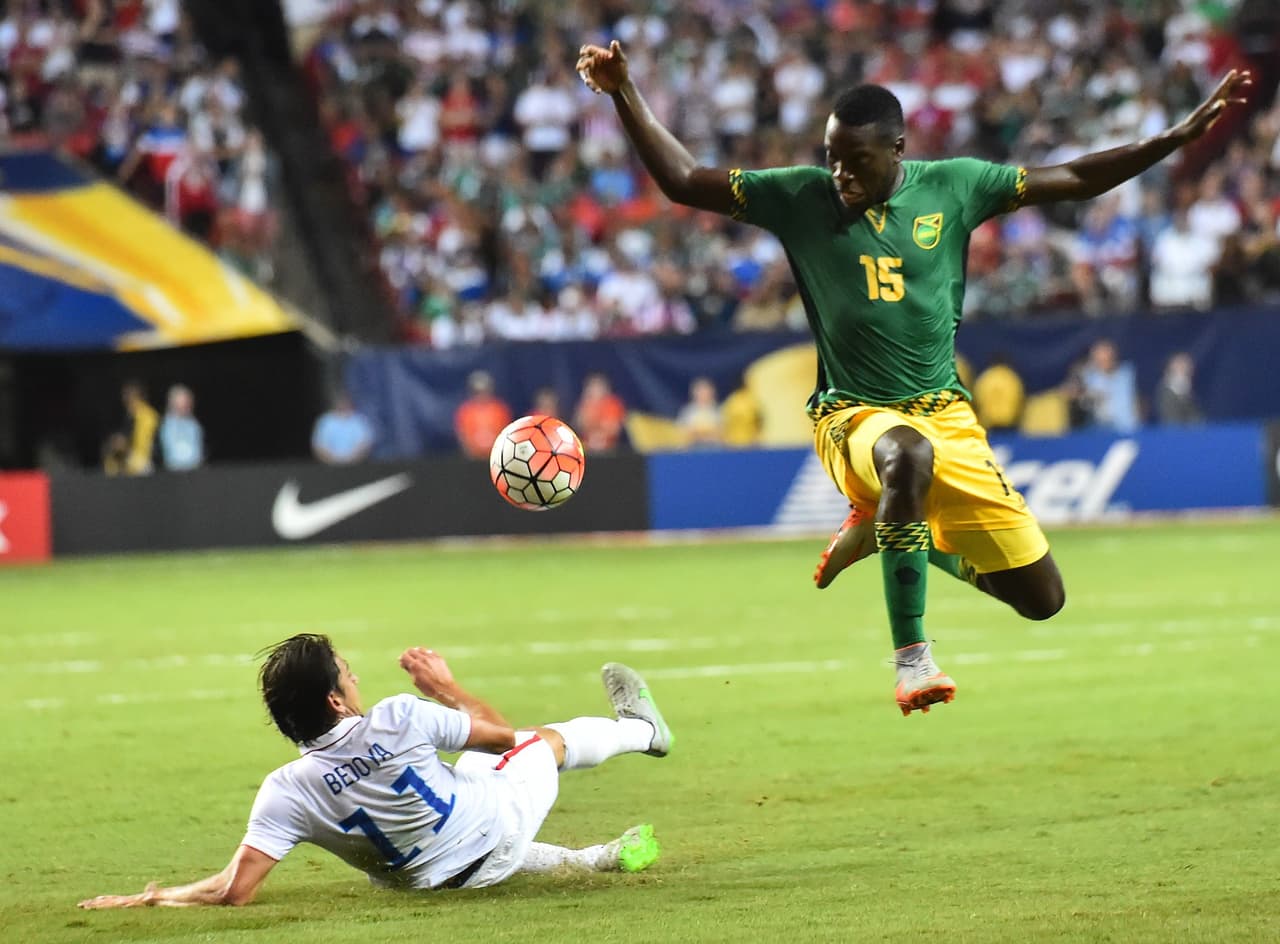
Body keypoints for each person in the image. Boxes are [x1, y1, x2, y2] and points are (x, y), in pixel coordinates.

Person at [578, 39, 1250, 715]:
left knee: (1041, 599)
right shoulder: (800, 197)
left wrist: (1173, 137)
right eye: (832, 156)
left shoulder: (957, 185)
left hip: (946, 414)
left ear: (897, 148)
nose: (840, 173)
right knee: (907, 455)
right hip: (852, 418)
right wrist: (624, 93)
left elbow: (1074, 178)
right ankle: (912, 658)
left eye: (857, 161)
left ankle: (893, 535)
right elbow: (685, 179)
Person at [78, 634, 670, 908]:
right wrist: (445, 687)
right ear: (336, 700)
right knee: (539, 744)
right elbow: (498, 731)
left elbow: (235, 890)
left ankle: (595, 858)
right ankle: (644, 731)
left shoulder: (286, 791)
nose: (356, 679)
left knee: (466, 778)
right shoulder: (400, 717)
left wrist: (153, 898)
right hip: (496, 831)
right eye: (348, 673)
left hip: (426, 881)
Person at [1079, 339, 1139, 434]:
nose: (1104, 363)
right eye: (1100, 360)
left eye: (1108, 358)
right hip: (1098, 430)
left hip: (1126, 428)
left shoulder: (1128, 373)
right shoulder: (1088, 377)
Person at [454, 370, 512, 459]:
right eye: (477, 392)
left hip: (496, 457)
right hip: (473, 459)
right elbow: (462, 436)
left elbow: (506, 434)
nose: (481, 395)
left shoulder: (500, 409)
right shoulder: (465, 411)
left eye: (484, 391)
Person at [311, 392, 375, 465]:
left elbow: (366, 443)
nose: (343, 404)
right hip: (330, 466)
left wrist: (351, 460)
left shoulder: (360, 421)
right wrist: (333, 461)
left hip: (356, 465)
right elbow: (318, 445)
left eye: (345, 402)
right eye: (340, 402)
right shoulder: (325, 421)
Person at [573, 372, 627, 453]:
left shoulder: (613, 404)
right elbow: (579, 425)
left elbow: (613, 429)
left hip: (609, 450)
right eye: (591, 386)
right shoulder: (585, 403)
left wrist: (594, 426)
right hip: (586, 450)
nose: (594, 390)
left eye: (598, 386)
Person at [971, 356, 1024, 433]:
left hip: (988, 423)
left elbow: (976, 400)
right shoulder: (1011, 377)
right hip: (1008, 422)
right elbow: (1020, 399)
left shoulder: (985, 378)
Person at [159, 384, 205, 471]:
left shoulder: (195, 426)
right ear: (173, 403)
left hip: (194, 471)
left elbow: (197, 453)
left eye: (188, 402)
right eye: (183, 402)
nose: (187, 405)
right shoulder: (165, 425)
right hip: (172, 473)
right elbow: (172, 453)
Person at [117, 380, 159, 475]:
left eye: (131, 396)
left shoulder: (148, 415)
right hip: (132, 462)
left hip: (145, 464)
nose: (126, 400)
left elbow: (146, 447)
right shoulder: (130, 416)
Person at [1154, 352, 1203, 426]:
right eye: (1180, 365)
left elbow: (1197, 418)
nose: (1186, 368)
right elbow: (1171, 420)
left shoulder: (1187, 390)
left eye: (1187, 365)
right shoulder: (1166, 391)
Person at [677, 377, 724, 448]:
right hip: (692, 448)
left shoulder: (718, 411)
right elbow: (683, 432)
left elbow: (721, 432)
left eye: (706, 391)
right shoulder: (687, 412)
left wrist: (707, 435)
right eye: (700, 391)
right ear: (694, 393)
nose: (703, 394)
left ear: (712, 392)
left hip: (714, 448)